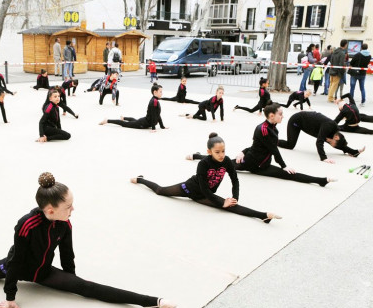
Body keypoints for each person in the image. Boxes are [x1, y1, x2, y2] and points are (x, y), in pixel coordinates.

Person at [0, 172, 176, 308]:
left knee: (89, 288)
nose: (73, 209)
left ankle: (149, 302)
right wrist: (10, 296)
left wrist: (72, 280)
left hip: (44, 272)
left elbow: (67, 254)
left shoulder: (64, 224)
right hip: (15, 267)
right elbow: (16, 261)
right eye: (68, 207)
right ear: (50, 209)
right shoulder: (26, 224)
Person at [133, 133, 280, 223]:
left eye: (223, 151)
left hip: (205, 195)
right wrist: (220, 202)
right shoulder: (204, 164)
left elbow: (235, 179)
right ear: (209, 152)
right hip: (190, 189)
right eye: (217, 152)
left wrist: (234, 198)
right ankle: (141, 179)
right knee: (160, 190)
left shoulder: (227, 161)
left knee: (231, 206)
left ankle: (263, 216)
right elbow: (203, 187)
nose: (221, 155)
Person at [233, 103, 335, 186]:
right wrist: (284, 166)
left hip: (263, 164)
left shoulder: (273, 128)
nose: (283, 116)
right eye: (280, 114)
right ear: (272, 116)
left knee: (290, 174)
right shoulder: (264, 130)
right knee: (224, 163)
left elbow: (258, 145)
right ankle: (321, 181)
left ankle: (321, 181)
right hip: (252, 163)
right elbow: (273, 149)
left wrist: (242, 152)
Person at [278, 111, 365, 163]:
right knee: (290, 145)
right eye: (332, 143)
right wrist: (324, 158)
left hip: (308, 125)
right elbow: (319, 142)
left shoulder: (334, 133)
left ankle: (353, 152)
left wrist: (354, 152)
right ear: (336, 138)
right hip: (296, 121)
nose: (331, 144)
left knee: (326, 138)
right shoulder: (328, 127)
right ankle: (273, 140)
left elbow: (340, 144)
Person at [99, 83, 167, 132]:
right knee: (124, 124)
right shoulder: (154, 102)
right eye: (160, 92)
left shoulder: (155, 101)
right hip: (142, 124)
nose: (162, 93)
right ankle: (107, 120)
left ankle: (124, 118)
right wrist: (153, 128)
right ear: (155, 92)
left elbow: (157, 115)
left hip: (144, 121)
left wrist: (162, 126)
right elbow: (153, 115)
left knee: (135, 120)